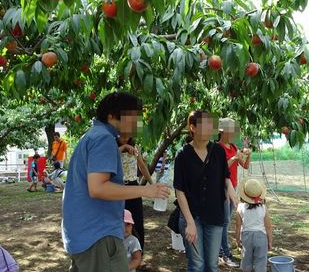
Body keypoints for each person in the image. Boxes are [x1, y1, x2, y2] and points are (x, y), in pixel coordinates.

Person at [61, 92, 169, 272]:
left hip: (83, 234)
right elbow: (98, 188)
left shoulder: (92, 136)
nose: (136, 123)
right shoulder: (103, 138)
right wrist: (146, 191)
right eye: (132, 117)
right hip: (98, 235)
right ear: (112, 115)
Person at [174, 110, 238, 272]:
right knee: (197, 265)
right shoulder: (182, 155)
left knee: (212, 265)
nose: (210, 128)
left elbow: (226, 177)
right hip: (191, 215)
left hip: (214, 214)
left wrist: (233, 194)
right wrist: (189, 222)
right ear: (193, 127)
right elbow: (179, 191)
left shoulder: (218, 151)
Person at [217, 117, 251, 267]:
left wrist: (247, 155)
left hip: (234, 186)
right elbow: (220, 167)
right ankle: (225, 254)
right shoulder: (218, 148)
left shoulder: (233, 146)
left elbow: (244, 166)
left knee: (226, 220)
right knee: (224, 221)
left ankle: (220, 250)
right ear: (223, 132)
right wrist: (234, 157)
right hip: (223, 187)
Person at [118, 136, 153, 254]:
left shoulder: (135, 147)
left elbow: (142, 167)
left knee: (136, 221)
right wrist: (123, 147)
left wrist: (152, 184)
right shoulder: (112, 146)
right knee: (119, 221)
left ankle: (138, 254)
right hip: (118, 189)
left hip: (133, 187)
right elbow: (109, 157)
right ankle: (120, 254)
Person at [235, 179, 272, 272]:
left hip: (246, 237)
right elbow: (268, 227)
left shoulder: (240, 207)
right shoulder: (263, 208)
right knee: (261, 262)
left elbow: (238, 226)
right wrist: (270, 241)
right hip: (261, 237)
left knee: (246, 261)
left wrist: (237, 240)